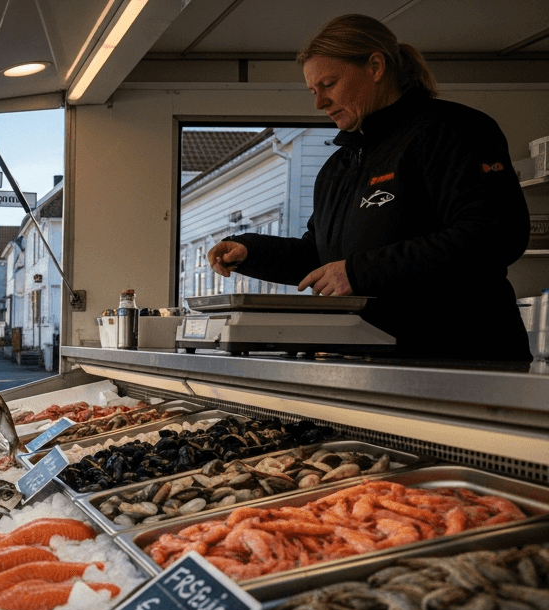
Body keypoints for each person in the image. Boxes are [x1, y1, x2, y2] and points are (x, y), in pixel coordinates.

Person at [206, 14, 530, 361]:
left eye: (329, 84)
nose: (320, 103)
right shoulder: (340, 167)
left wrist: (358, 273)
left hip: (459, 357)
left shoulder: (452, 131)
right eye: (314, 91)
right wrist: (251, 252)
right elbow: (321, 258)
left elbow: (493, 235)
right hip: (371, 359)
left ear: (375, 67)